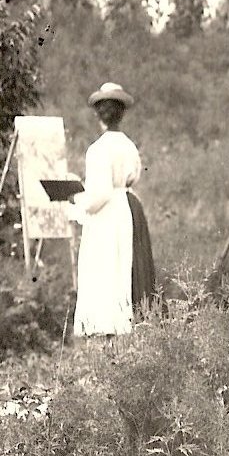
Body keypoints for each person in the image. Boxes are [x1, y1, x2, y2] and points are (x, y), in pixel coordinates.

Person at [70, 82, 159, 338]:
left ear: (99, 116)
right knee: (127, 268)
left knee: (107, 270)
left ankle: (109, 332)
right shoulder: (128, 145)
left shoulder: (98, 150)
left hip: (108, 215)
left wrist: (77, 200)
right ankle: (128, 328)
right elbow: (132, 178)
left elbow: (99, 194)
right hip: (128, 209)